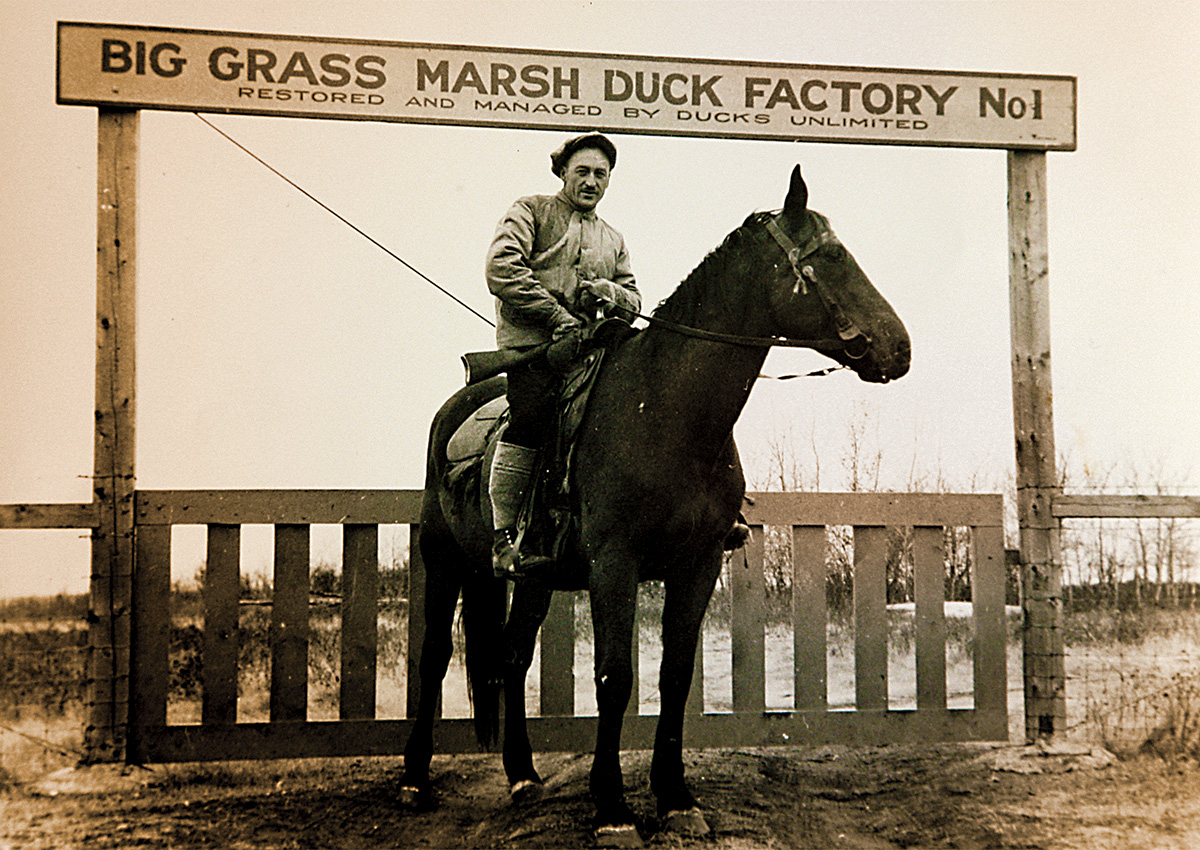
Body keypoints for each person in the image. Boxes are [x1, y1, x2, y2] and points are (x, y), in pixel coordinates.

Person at [484, 132, 641, 578]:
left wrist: (609, 292)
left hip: (590, 353)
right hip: (533, 350)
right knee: (532, 417)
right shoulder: (530, 210)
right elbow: (501, 269)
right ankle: (505, 539)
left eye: (600, 174)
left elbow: (634, 299)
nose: (591, 182)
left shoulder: (613, 238)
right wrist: (556, 316)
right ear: (563, 173)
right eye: (582, 172)